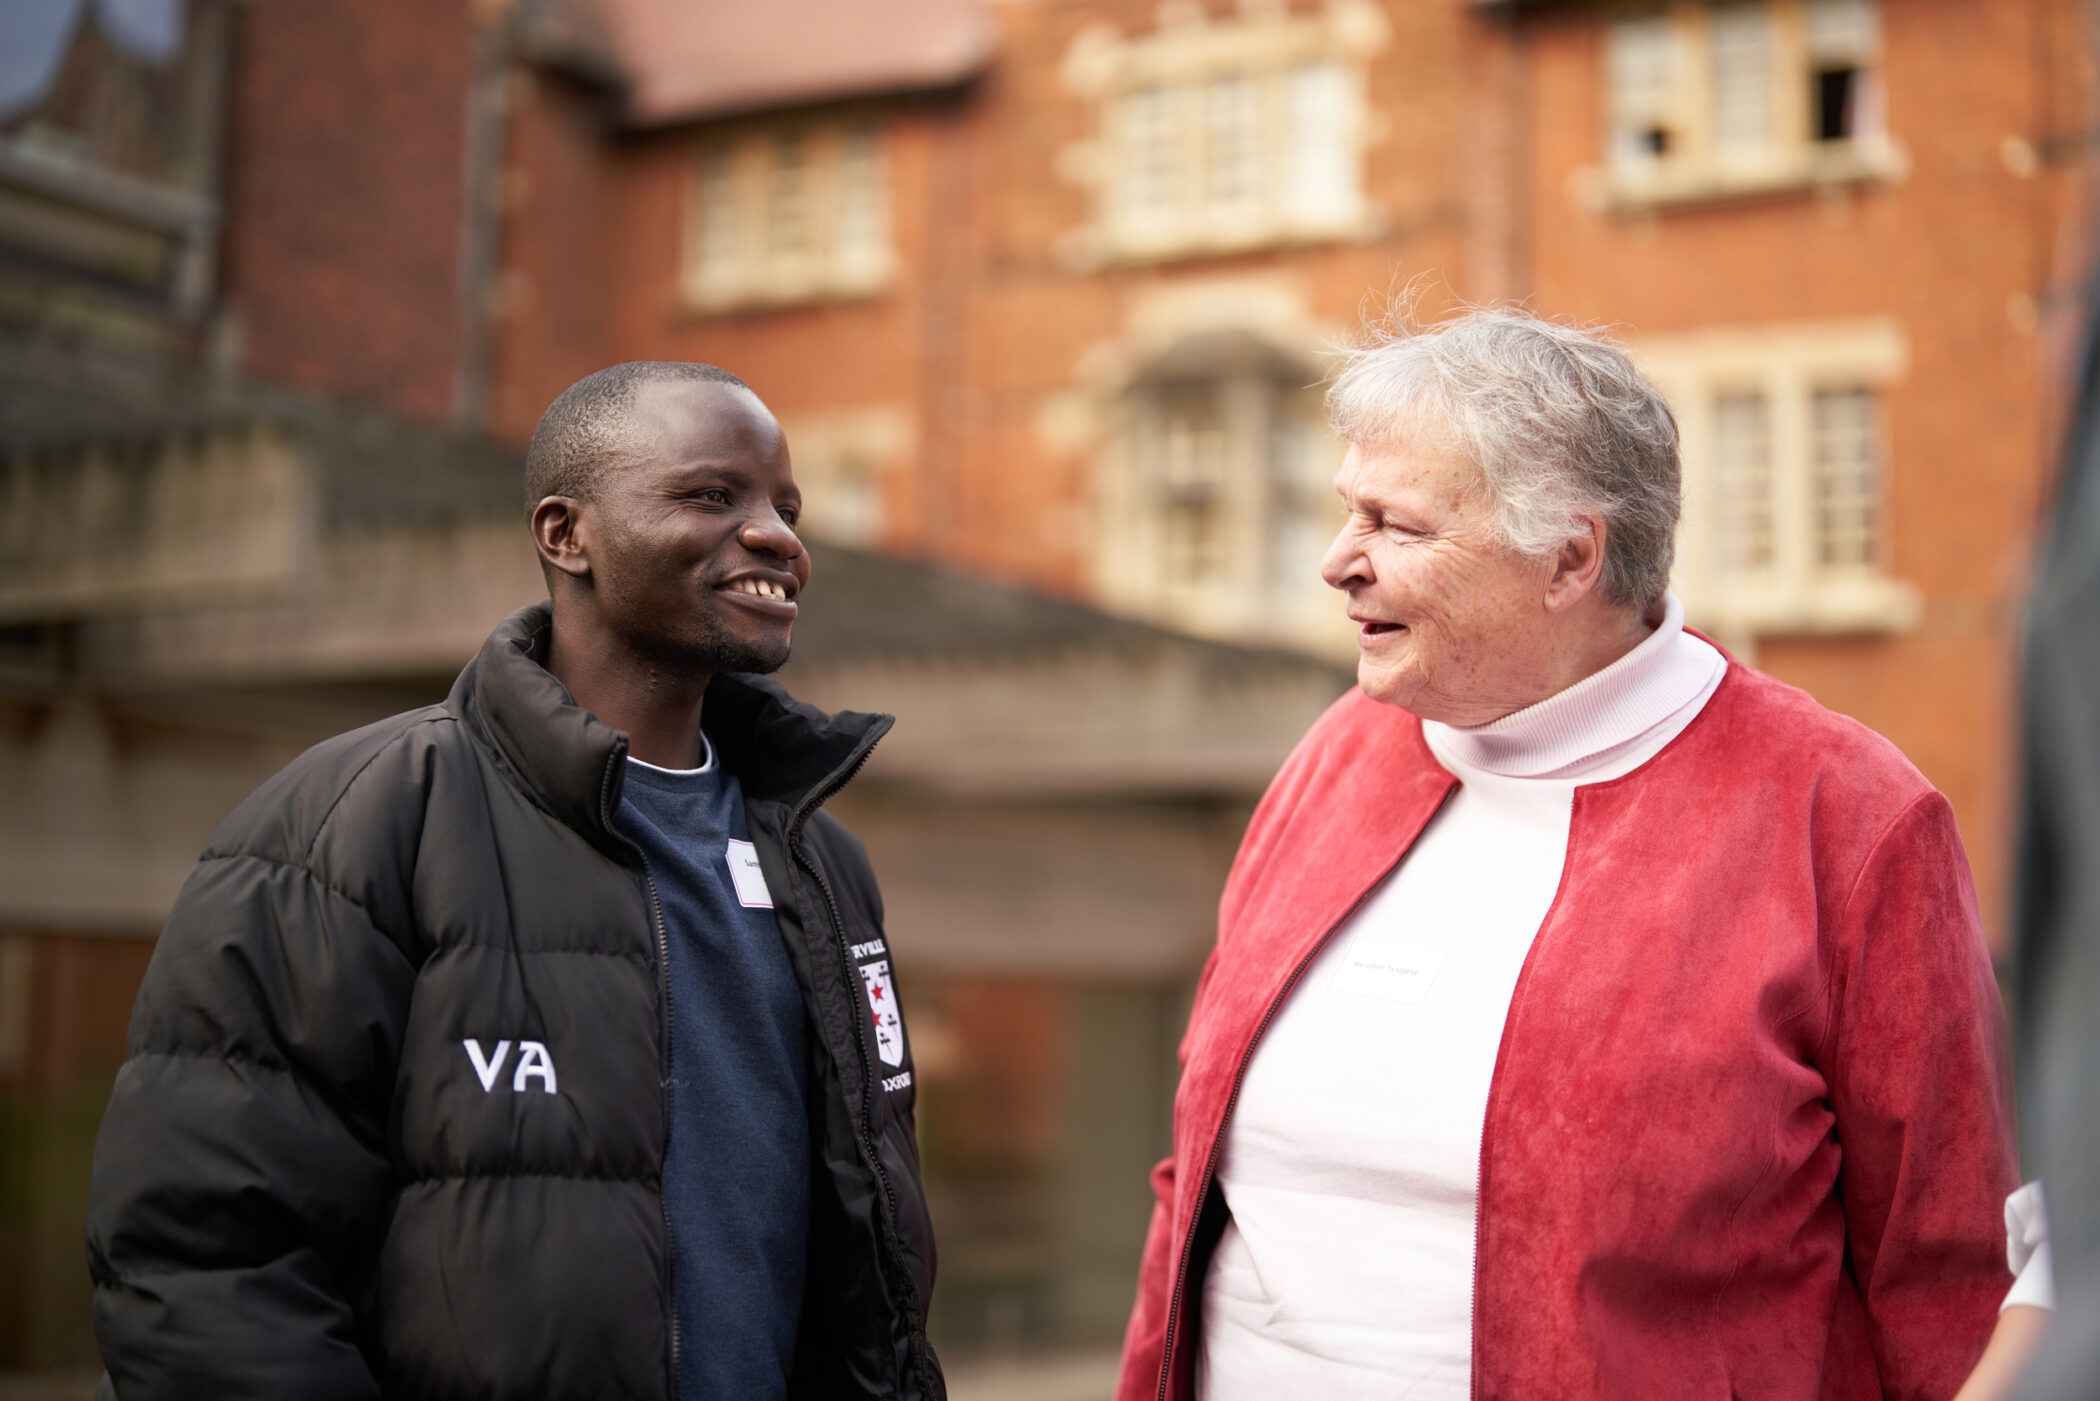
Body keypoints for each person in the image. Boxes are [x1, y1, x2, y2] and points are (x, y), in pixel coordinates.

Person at [1117, 311, 2020, 1401]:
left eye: (1393, 525)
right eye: (1346, 510)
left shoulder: (1847, 818)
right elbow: (1192, 1185)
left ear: (1570, 560)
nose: (1336, 562)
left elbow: (1951, 1270)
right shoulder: (1332, 759)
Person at [84, 363, 940, 1401]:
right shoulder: (350, 822)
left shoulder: (823, 864)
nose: (778, 536)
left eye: (785, 508)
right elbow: (209, 1268)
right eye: (713, 496)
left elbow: (872, 1261)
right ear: (564, 534)